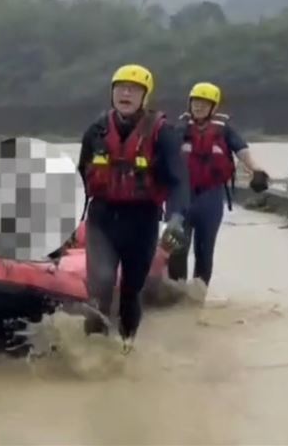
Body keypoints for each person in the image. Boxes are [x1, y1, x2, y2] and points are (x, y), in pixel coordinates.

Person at [77, 64, 190, 351]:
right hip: (103, 219)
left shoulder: (163, 133)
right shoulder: (96, 131)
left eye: (133, 89)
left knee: (130, 291)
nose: (125, 93)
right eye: (120, 88)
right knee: (101, 284)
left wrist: (175, 219)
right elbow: (79, 177)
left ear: (145, 96)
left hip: (142, 222)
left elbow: (179, 181)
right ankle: (94, 350)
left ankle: (126, 347)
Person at [167, 82, 269, 288]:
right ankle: (175, 295)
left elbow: (242, 151)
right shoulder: (177, 129)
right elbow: (160, 155)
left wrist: (257, 170)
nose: (198, 106)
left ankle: (198, 297)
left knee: (205, 250)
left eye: (204, 103)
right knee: (177, 250)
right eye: (195, 102)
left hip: (210, 198)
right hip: (181, 197)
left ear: (214, 107)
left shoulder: (225, 131)